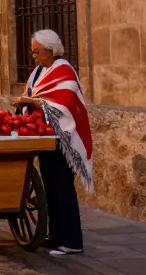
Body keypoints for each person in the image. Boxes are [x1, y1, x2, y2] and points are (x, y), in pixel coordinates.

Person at [11, 29, 93, 257]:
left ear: (49, 50)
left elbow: (63, 104)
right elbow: (33, 94)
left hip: (63, 139)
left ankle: (71, 242)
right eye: (33, 52)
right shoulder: (38, 71)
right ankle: (56, 237)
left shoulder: (64, 70)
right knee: (50, 188)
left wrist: (31, 102)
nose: (34, 56)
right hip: (45, 137)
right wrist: (25, 105)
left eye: (36, 51)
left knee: (62, 187)